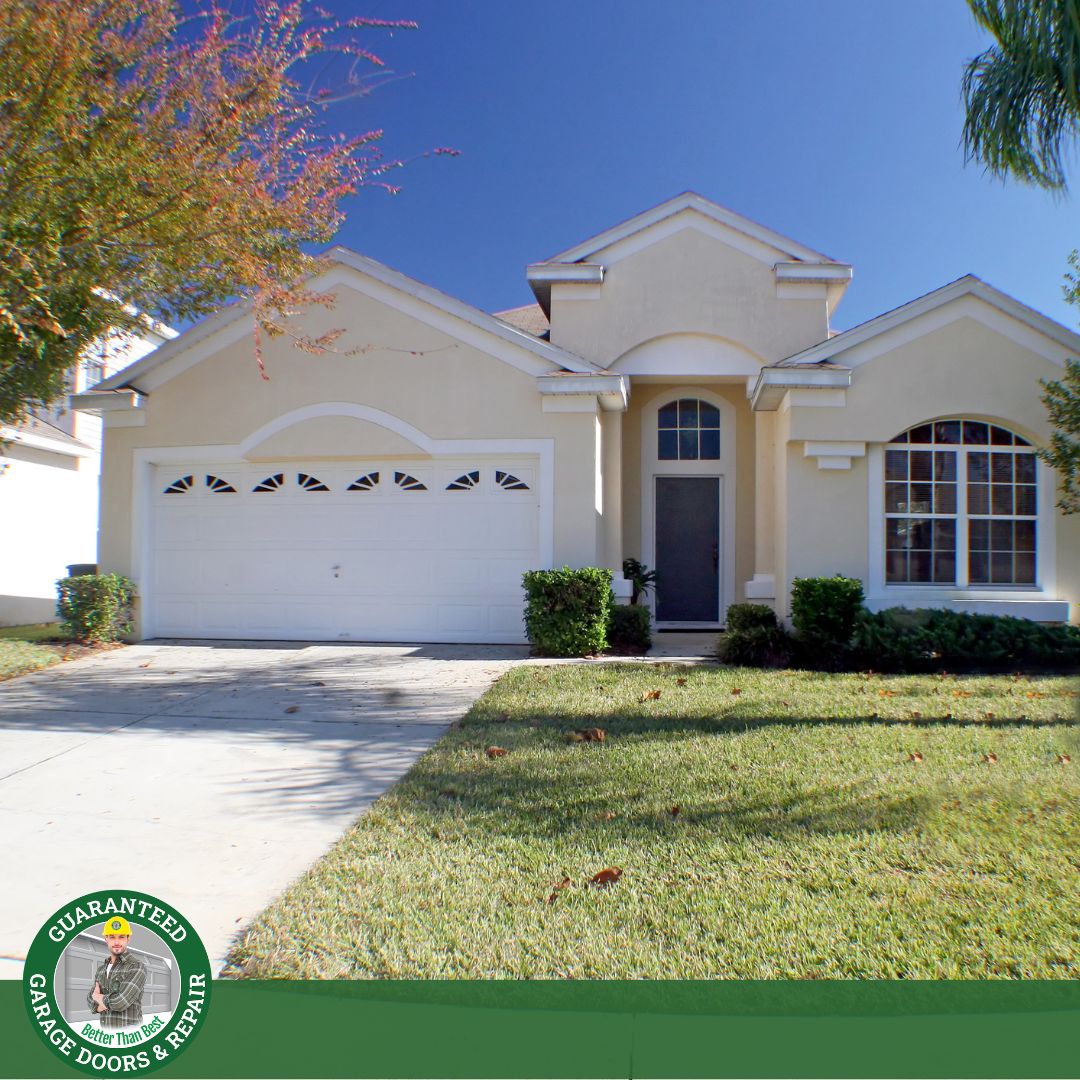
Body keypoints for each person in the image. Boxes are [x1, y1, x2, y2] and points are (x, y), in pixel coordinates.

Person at [87, 917, 146, 1029]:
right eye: (112, 937)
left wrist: (98, 997)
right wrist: (97, 1007)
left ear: (128, 939)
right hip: (105, 1034)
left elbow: (120, 1002)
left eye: (121, 937)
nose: (117, 942)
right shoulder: (101, 970)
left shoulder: (136, 967)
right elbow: (89, 999)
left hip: (131, 1034)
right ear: (106, 939)